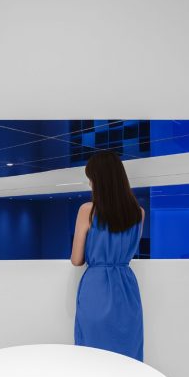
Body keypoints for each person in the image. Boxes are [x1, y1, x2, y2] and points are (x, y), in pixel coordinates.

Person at [71, 150, 145, 362]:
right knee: (127, 354)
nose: (89, 184)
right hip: (127, 290)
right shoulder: (138, 212)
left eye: (91, 178)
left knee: (92, 355)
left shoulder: (87, 210)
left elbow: (76, 260)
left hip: (96, 289)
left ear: (99, 180)